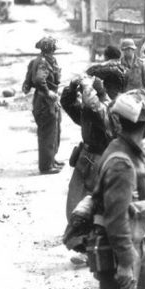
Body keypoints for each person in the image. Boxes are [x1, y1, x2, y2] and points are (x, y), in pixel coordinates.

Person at [85, 89, 145, 289]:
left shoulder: (127, 150)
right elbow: (116, 219)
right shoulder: (122, 161)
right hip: (121, 252)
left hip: (134, 247)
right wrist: (127, 262)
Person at [60, 75, 116, 221]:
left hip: (100, 159)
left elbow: (95, 108)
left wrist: (87, 87)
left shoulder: (108, 109)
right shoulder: (88, 110)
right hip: (86, 158)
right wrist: (71, 89)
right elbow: (68, 104)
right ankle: (76, 231)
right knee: (76, 196)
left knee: (95, 200)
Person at [31, 36, 63, 174]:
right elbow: (39, 80)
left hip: (49, 101)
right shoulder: (43, 62)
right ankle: (46, 166)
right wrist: (48, 91)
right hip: (45, 102)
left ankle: (51, 159)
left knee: (55, 131)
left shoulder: (47, 60)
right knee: (47, 133)